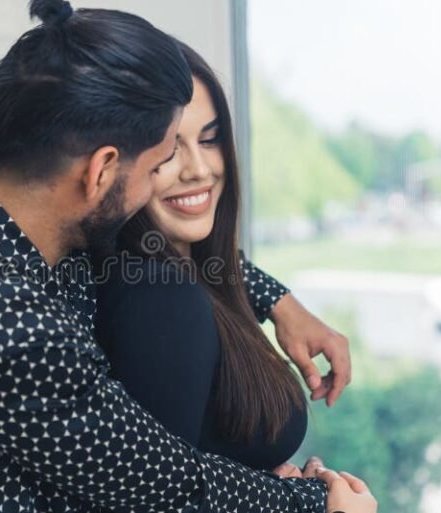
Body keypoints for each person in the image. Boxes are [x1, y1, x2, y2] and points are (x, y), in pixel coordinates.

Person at [0, 1, 376, 512]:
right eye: (157, 167)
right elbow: (164, 485)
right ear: (101, 171)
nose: (171, 179)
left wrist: (276, 300)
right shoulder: (13, 326)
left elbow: (140, 246)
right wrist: (313, 503)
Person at [94, 40, 352, 479]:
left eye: (210, 140)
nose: (199, 168)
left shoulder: (186, 273)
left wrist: (278, 300)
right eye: (170, 150)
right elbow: (163, 501)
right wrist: (301, 504)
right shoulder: (159, 299)